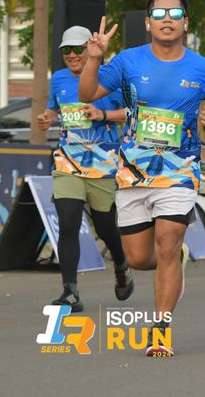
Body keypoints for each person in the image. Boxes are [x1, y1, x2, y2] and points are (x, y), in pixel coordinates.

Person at [79, 0, 205, 356]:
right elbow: (87, 94)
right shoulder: (128, 61)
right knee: (138, 258)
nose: (167, 20)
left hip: (180, 170)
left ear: (186, 23)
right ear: (148, 23)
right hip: (133, 171)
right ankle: (176, 262)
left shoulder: (202, 67)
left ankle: (160, 329)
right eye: (159, 14)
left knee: (167, 243)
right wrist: (94, 58)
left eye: (175, 14)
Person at [36, 25, 132, 312]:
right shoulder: (59, 79)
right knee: (68, 223)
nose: (72, 55)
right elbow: (55, 109)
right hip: (68, 161)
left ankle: (121, 264)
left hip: (103, 164)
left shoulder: (111, 78)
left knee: (106, 227)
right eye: (66, 50)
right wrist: (47, 118)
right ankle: (70, 292)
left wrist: (103, 113)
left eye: (78, 49)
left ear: (90, 49)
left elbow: (132, 114)